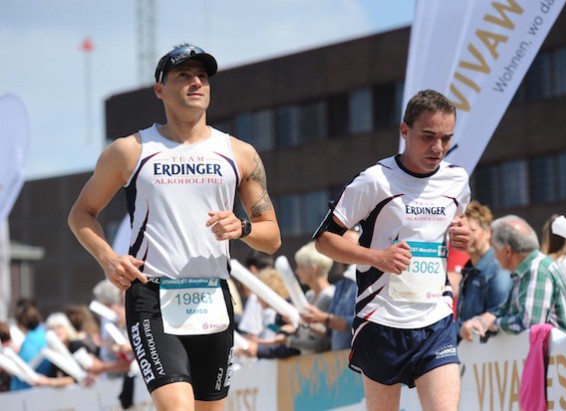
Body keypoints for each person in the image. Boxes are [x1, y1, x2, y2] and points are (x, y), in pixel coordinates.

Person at [68, 43, 281, 411]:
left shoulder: (239, 153)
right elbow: (82, 213)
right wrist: (108, 259)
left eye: (202, 76)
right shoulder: (130, 150)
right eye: (184, 75)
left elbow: (272, 237)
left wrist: (242, 228)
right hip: (153, 297)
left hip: (213, 297)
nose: (196, 82)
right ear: (160, 89)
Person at [314, 89, 472, 411]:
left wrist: (463, 235)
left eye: (446, 138)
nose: (438, 147)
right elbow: (324, 240)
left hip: (435, 319)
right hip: (381, 320)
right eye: (428, 136)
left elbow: (458, 224)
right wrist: (377, 258)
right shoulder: (375, 181)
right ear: (404, 131)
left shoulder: (457, 180)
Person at [460, 215, 566, 339]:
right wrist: (481, 322)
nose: (493, 255)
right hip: (564, 355)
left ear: (507, 251)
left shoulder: (538, 269)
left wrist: (494, 324)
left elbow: (529, 324)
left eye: (494, 249)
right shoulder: (524, 272)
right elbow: (504, 312)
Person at [456, 201, 512, 341]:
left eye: (472, 230)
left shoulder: (498, 268)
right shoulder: (468, 270)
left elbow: (500, 312)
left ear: (488, 233)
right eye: (463, 230)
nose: (466, 236)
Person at [301, 227, 360, 351]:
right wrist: (306, 323)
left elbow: (358, 323)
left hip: (355, 359)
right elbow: (328, 330)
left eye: (350, 246)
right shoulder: (341, 284)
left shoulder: (361, 280)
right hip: (338, 362)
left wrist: (324, 318)